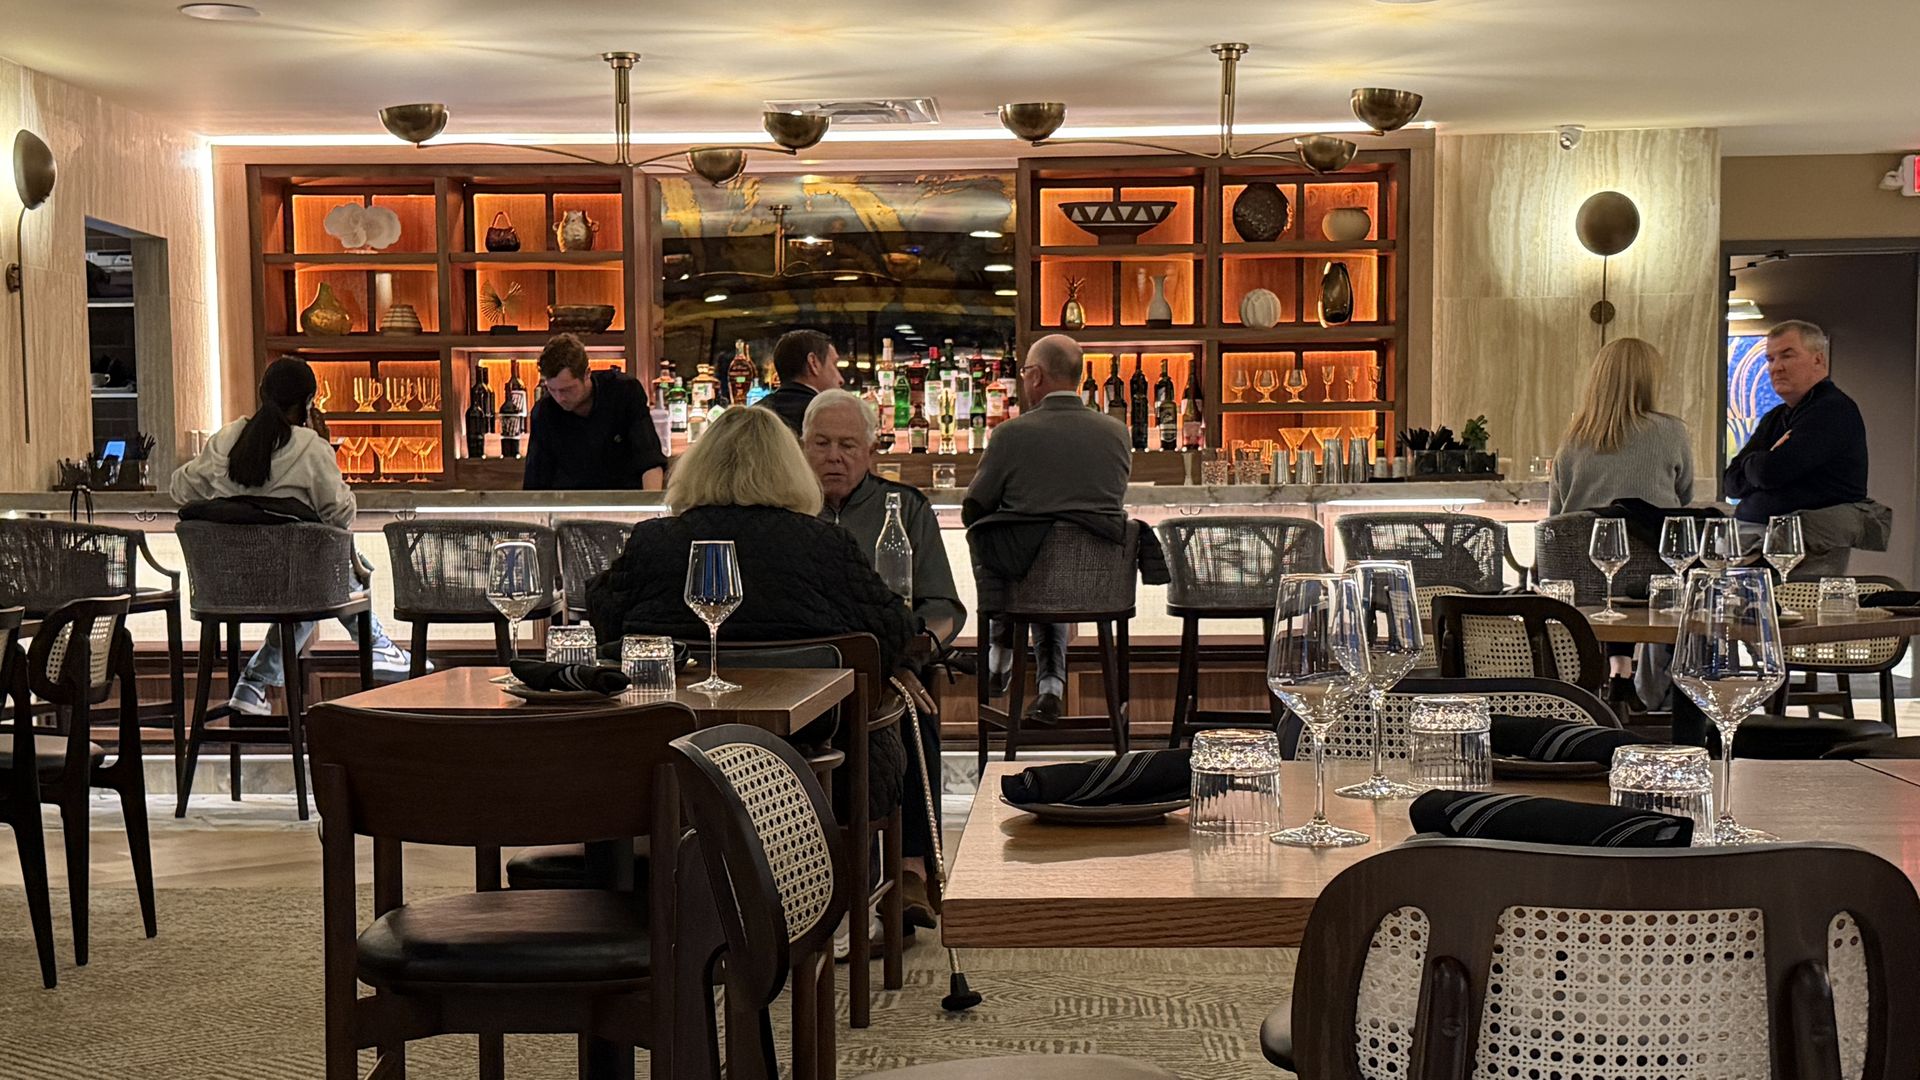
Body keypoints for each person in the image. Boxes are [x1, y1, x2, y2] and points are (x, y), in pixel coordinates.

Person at [586, 404, 914, 840]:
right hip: (811, 766)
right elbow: (890, 633)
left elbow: (604, 622)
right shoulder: (823, 544)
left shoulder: (654, 541)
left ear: (698, 467)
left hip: (669, 761)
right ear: (790, 468)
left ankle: (651, 890)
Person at [169, 356, 418, 716]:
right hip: (294, 588)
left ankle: (255, 684)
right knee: (323, 570)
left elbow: (179, 490)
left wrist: (225, 494)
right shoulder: (310, 446)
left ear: (260, 394)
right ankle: (375, 644)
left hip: (226, 589)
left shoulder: (225, 439)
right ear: (308, 402)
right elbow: (341, 515)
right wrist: (325, 446)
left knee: (313, 573)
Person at [802, 388, 964, 930]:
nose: (834, 456)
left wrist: (918, 650)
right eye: (821, 443)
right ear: (801, 448)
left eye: (848, 444)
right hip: (804, 671)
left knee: (916, 705)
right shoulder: (786, 512)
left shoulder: (905, 508)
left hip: (888, 668)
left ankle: (913, 869)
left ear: (872, 450)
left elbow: (942, 605)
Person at [962, 334, 1131, 725]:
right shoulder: (1117, 433)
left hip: (1024, 589)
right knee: (1049, 551)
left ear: (1036, 376)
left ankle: (1001, 651)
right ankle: (1051, 685)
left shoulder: (1012, 434)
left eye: (1024, 373)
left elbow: (974, 506)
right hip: (1101, 591)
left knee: (1021, 547)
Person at [1724, 319, 1869, 525]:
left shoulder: (1833, 409)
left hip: (1809, 544)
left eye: (1787, 355)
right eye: (1770, 359)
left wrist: (1751, 461)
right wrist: (1762, 461)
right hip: (1762, 539)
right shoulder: (1775, 416)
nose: (1776, 367)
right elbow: (1731, 483)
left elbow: (1770, 473)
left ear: (1818, 360)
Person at [1549, 337, 1694, 515]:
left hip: (1583, 541)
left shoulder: (1573, 438)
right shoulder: (1672, 431)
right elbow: (1685, 495)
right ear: (1649, 382)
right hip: (1653, 539)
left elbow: (1556, 511)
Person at [523, 333, 668, 490]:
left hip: (626, 502)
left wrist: (650, 507)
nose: (560, 398)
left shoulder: (624, 392)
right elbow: (535, 484)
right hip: (569, 507)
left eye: (567, 389)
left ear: (587, 374)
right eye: (552, 390)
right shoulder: (544, 412)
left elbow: (649, 459)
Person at [756, 328, 843, 435]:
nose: (841, 379)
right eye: (834, 364)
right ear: (813, 363)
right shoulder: (833, 417)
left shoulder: (752, 417)